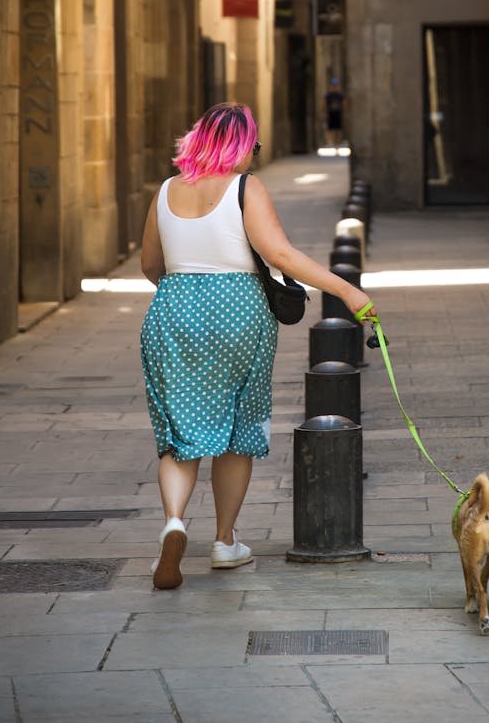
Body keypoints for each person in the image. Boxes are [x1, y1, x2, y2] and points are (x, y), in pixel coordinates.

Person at [140, 102, 376, 590]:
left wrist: (185, 296)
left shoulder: (165, 191)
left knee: (182, 429)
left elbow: (149, 264)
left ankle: (174, 522)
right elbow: (280, 254)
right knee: (236, 423)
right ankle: (225, 541)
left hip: (173, 307)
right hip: (239, 312)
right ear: (241, 146)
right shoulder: (245, 187)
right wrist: (346, 290)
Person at [324, 77, 345, 148]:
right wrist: (324, 113)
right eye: (333, 85)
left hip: (338, 113)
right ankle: (332, 143)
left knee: (338, 130)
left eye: (335, 85)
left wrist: (344, 113)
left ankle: (337, 144)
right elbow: (324, 105)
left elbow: (343, 104)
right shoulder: (328, 95)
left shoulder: (340, 95)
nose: (334, 87)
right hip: (330, 114)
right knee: (331, 129)